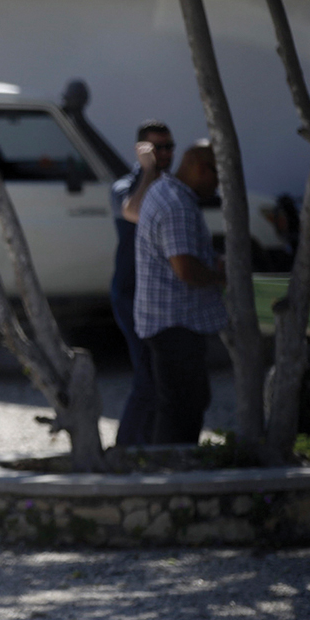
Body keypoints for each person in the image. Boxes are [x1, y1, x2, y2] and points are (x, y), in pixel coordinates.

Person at [135, 141, 226, 445]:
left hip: (167, 321)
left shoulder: (164, 191)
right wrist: (221, 277)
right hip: (176, 323)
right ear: (201, 168)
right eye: (218, 176)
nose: (218, 186)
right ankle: (173, 473)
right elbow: (185, 269)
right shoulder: (177, 205)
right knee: (182, 407)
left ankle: (170, 468)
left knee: (182, 402)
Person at [110, 120, 175, 447]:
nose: (164, 154)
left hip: (165, 296)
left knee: (166, 378)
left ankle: (151, 444)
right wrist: (148, 171)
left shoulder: (174, 186)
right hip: (132, 294)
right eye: (157, 148)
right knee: (147, 377)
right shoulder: (126, 185)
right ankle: (126, 449)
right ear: (141, 151)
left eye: (168, 147)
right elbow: (132, 212)